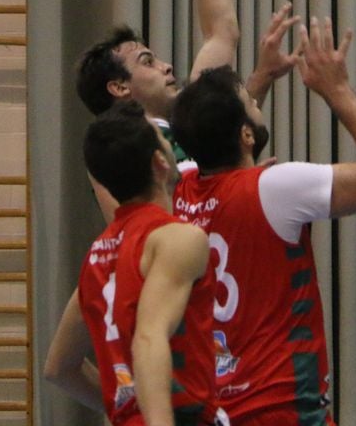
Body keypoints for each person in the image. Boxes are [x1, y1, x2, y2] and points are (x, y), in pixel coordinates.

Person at [168, 17, 356, 425]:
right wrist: (336, 90)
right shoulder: (274, 187)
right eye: (249, 102)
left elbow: (219, 130)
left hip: (217, 411)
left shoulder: (181, 189)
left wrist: (262, 77)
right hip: (283, 410)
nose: (254, 101)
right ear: (246, 134)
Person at [74, 0, 300, 216]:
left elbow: (221, 33)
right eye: (147, 61)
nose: (167, 66)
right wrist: (235, 191)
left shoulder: (191, 120)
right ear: (119, 86)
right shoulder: (112, 147)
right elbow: (138, 230)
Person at [43, 101, 228, 426]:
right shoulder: (177, 238)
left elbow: (59, 368)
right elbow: (149, 336)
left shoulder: (96, 257)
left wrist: (124, 410)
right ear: (160, 162)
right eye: (162, 136)